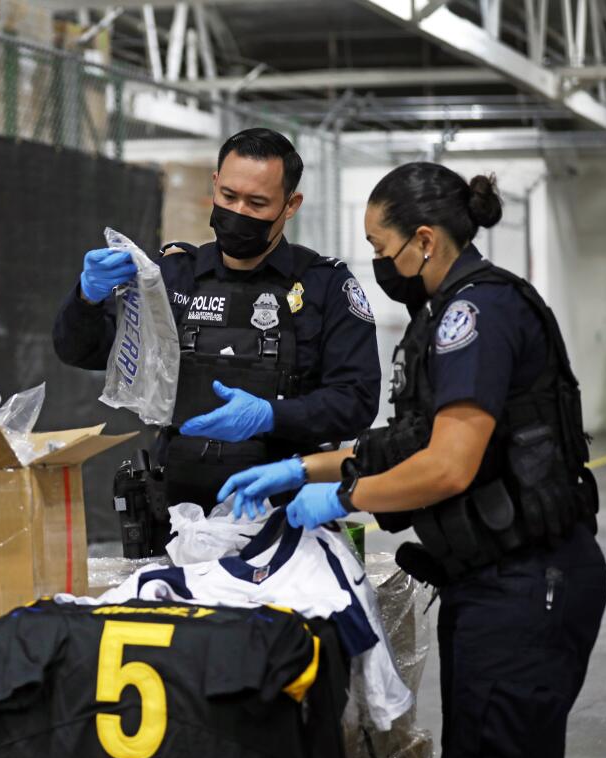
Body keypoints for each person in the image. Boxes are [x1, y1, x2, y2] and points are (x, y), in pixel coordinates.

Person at [220, 162, 606, 758]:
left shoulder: (476, 314)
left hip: (529, 582)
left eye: (381, 247)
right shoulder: (443, 315)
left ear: (424, 240)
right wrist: (300, 467)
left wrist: (344, 499)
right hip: (490, 583)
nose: (378, 262)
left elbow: (448, 465)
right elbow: (403, 445)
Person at [53, 128, 380, 514]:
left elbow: (355, 401)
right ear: (215, 184)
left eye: (257, 203)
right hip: (176, 511)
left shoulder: (324, 287)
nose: (238, 212)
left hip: (283, 509)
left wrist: (271, 415)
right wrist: (87, 298)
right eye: (229, 196)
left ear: (290, 205)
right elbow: (83, 351)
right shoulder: (173, 276)